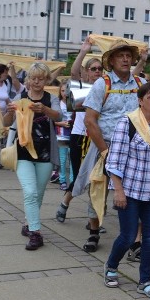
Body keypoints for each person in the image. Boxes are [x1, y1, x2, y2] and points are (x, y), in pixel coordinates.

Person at [104, 82, 150, 299]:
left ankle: (145, 281)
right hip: (130, 192)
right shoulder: (127, 123)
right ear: (140, 101)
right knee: (128, 237)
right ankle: (111, 266)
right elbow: (114, 161)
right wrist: (118, 191)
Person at [72, 40, 144, 253]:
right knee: (98, 191)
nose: (125, 59)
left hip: (133, 150)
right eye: (120, 55)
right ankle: (94, 232)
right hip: (104, 146)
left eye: (128, 55)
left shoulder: (140, 84)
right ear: (111, 60)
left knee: (135, 194)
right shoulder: (101, 84)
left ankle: (136, 240)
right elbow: (90, 121)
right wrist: (104, 151)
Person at [2, 63, 62, 251]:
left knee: (39, 193)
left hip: (45, 152)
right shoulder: (20, 97)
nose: (37, 81)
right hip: (23, 151)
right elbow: (6, 122)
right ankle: (36, 233)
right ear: (28, 80)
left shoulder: (50, 99)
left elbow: (58, 115)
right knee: (30, 192)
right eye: (33, 78)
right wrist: (10, 111)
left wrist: (43, 109)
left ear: (46, 80)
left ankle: (28, 223)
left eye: (41, 78)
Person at [55, 42, 105, 224]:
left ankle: (94, 219)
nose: (97, 72)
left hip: (97, 139)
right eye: (94, 69)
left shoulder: (106, 88)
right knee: (79, 177)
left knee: (97, 180)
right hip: (79, 138)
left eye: (100, 69)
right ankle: (65, 202)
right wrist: (83, 51)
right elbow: (74, 72)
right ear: (87, 71)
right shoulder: (82, 87)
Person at [54, 80, 72, 191]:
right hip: (61, 136)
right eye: (62, 91)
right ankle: (62, 180)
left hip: (73, 135)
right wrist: (61, 123)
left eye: (67, 91)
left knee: (72, 160)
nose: (65, 93)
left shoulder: (75, 103)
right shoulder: (57, 103)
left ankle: (73, 181)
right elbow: (51, 121)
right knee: (62, 160)